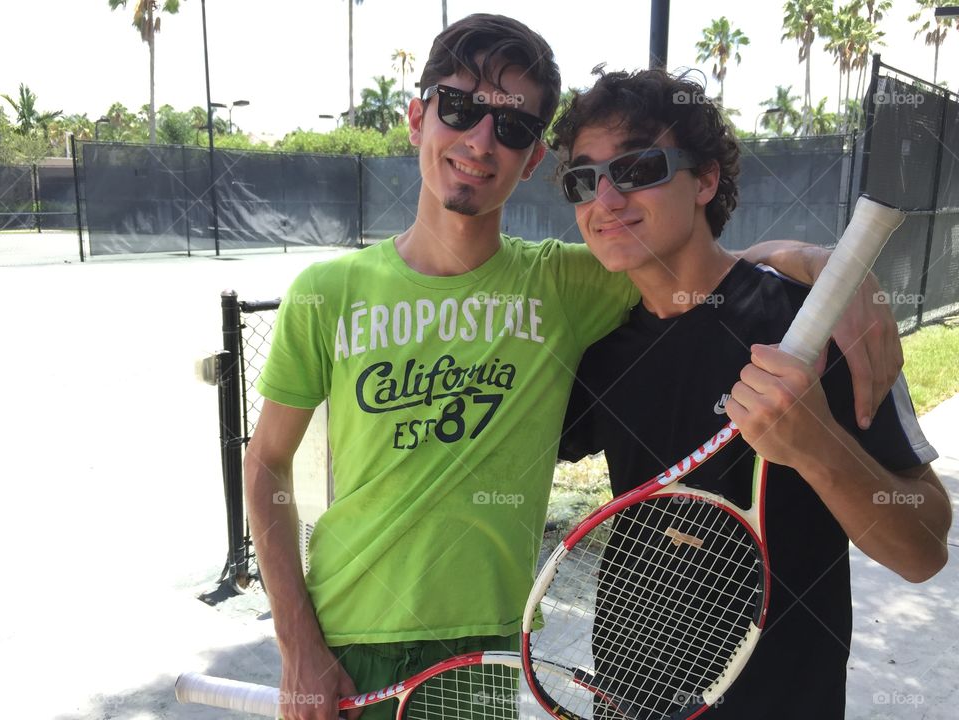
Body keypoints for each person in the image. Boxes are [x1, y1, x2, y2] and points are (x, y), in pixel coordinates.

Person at [245, 15, 903, 720]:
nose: (478, 141)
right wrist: (297, 644)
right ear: (417, 117)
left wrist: (811, 264)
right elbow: (265, 465)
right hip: (344, 643)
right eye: (460, 107)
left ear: (531, 160)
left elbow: (684, 262)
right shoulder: (326, 293)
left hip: (482, 647)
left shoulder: (567, 286)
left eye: (514, 127)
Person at [555, 68, 952, 720]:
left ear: (705, 180)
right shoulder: (601, 353)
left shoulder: (815, 324)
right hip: (628, 701)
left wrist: (819, 445)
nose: (606, 198)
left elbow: (925, 548)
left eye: (636, 168)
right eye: (583, 179)